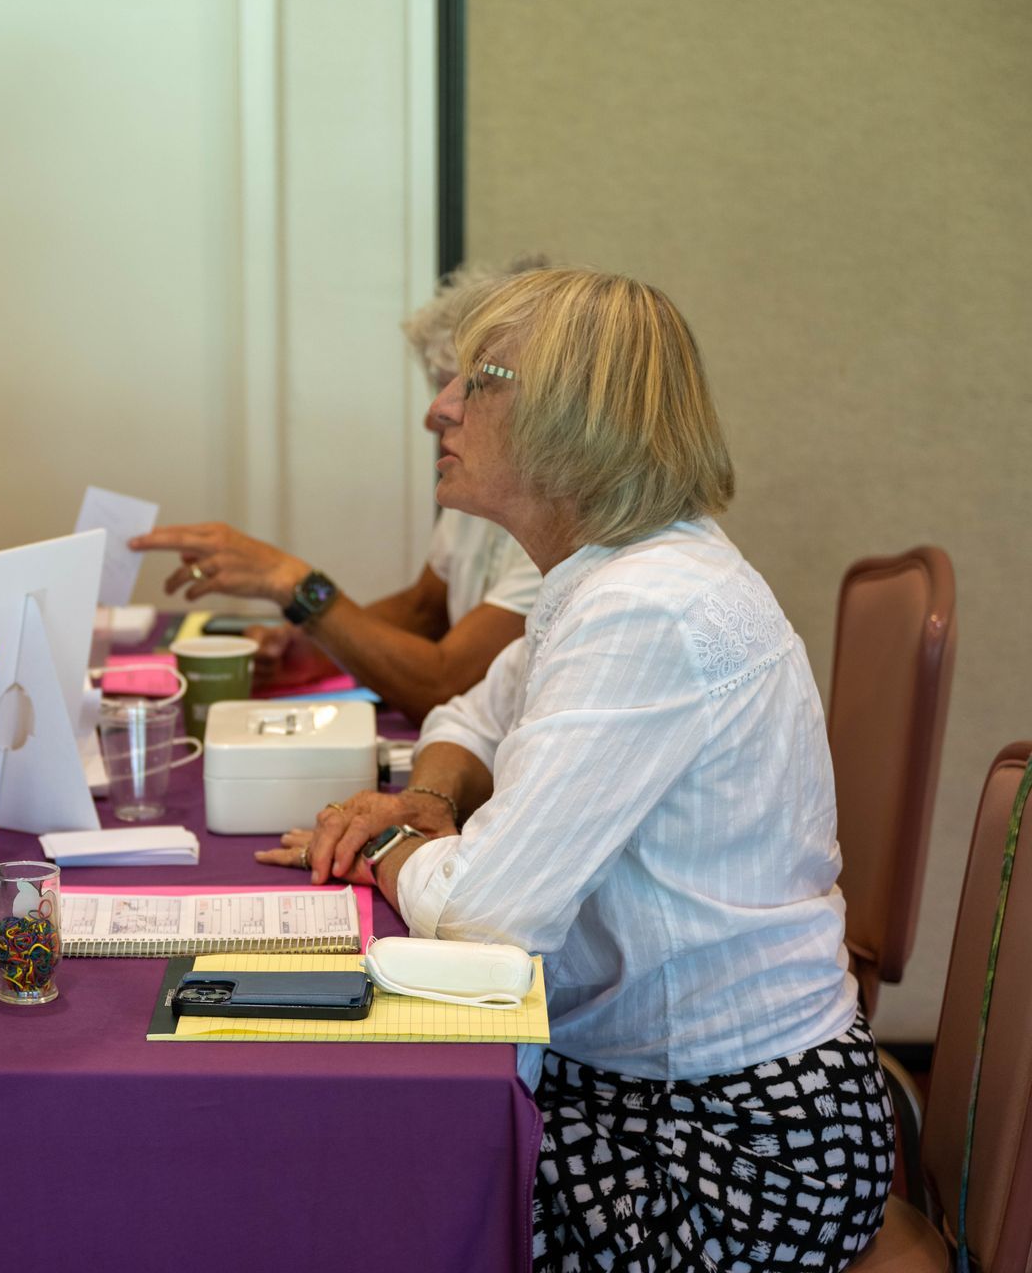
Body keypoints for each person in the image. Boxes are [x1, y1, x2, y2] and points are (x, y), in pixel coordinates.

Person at [259, 268, 892, 1270]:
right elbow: (474, 705)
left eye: (479, 381)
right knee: (338, 1166)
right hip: (660, 1094)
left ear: (573, 413)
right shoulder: (606, 575)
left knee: (342, 1198)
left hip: (733, 1145)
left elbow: (487, 910)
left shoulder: (649, 604)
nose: (439, 408)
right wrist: (428, 797)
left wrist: (386, 841)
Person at [129, 260, 545, 723]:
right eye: (439, 384)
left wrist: (293, 583)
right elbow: (423, 608)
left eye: (469, 387)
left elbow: (445, 684)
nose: (436, 412)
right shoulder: (480, 478)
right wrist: (313, 648)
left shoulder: (560, 519)